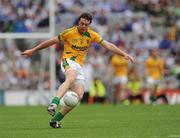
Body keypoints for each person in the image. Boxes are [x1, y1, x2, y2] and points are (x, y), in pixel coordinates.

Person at [22, 12, 135, 128]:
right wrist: (33, 50)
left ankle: (55, 120)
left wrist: (123, 54)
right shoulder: (69, 32)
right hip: (67, 60)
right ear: (78, 22)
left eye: (86, 24)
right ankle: (54, 103)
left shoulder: (92, 35)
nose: (83, 26)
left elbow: (108, 45)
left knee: (79, 96)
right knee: (70, 78)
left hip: (79, 66)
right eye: (82, 23)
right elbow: (50, 42)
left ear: (89, 25)